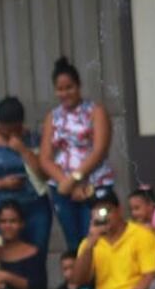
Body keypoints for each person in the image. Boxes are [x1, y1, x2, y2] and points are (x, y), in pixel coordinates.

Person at [39, 57, 114, 252]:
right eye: (60, 89)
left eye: (69, 87)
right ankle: (82, 283)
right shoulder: (53, 116)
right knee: (74, 245)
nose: (65, 93)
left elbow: (99, 150)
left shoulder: (95, 111)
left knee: (98, 240)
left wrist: (75, 179)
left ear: (79, 86)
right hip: (63, 189)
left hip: (95, 184)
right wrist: (67, 184)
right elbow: (45, 158)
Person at [0, 96, 53, 258]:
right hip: (2, 211)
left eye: (15, 130)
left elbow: (44, 173)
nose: (10, 135)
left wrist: (23, 150)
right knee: (5, 256)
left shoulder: (33, 139)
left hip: (34, 207)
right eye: (5, 131)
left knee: (36, 256)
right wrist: (1, 183)